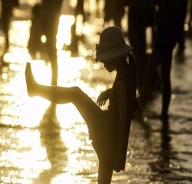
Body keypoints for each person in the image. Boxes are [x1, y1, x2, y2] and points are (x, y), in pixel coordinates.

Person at [25, 26, 138, 183]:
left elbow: (125, 118)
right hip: (110, 132)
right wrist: (110, 93)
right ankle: (35, 89)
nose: (103, 63)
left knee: (75, 94)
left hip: (107, 130)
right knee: (104, 179)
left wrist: (120, 153)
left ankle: (35, 89)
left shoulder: (123, 83)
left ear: (114, 57)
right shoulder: (126, 73)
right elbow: (125, 100)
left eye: (104, 59)